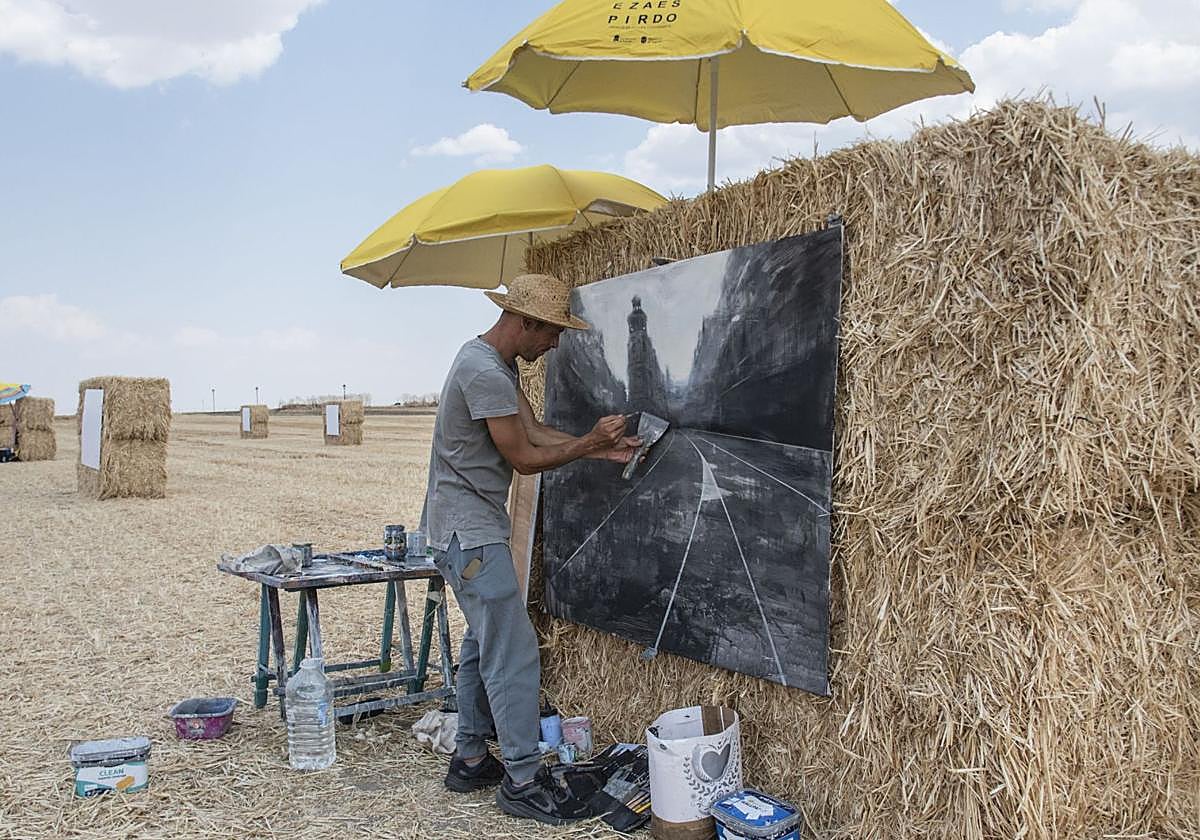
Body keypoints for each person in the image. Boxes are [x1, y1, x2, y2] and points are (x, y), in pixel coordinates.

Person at [420, 273, 639, 825]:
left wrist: (598, 453)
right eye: (552, 332)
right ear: (526, 323)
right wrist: (589, 440)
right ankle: (522, 778)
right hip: (468, 535)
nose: (556, 344)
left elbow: (536, 431)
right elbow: (523, 458)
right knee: (512, 649)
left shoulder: (494, 364)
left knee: (483, 641)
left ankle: (470, 757)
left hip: (467, 530)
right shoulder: (482, 372)